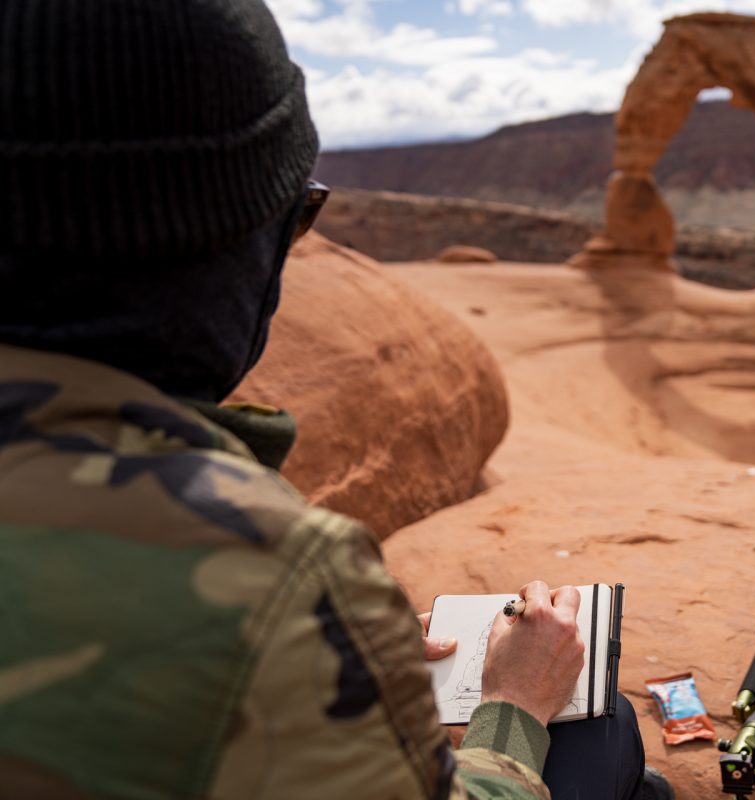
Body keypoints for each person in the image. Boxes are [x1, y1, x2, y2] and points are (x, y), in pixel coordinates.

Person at [0, 2, 669, 798]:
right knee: (601, 732)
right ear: (228, 250)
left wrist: (344, 642)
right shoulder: (267, 569)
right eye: (296, 219)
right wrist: (513, 703)